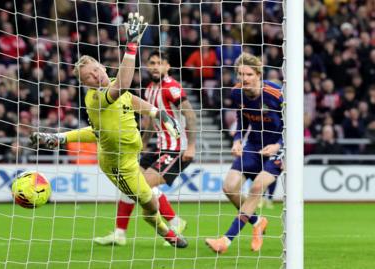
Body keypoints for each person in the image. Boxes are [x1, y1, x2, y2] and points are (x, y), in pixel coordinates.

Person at [31, 13, 187, 248]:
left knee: (149, 195)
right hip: (119, 166)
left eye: (95, 70)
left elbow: (130, 98)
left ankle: (152, 228)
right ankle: (165, 231)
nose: (95, 76)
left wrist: (158, 113)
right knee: (149, 205)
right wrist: (132, 45)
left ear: (102, 66)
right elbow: (123, 87)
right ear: (85, 84)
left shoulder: (112, 83)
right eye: (88, 77)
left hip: (131, 155)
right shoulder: (96, 97)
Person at [93, 50, 198, 246]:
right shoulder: (149, 88)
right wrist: (141, 144)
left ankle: (175, 222)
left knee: (140, 185)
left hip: (176, 149)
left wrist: (191, 146)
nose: (155, 66)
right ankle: (119, 234)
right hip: (159, 148)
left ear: (167, 67)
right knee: (128, 184)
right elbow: (151, 120)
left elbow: (190, 115)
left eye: (159, 63)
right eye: (152, 62)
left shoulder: (172, 88)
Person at [205, 53, 284, 254]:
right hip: (253, 145)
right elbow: (242, 120)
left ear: (258, 74)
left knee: (257, 186)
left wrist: (278, 145)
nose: (244, 78)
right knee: (229, 187)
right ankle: (257, 221)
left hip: (279, 148)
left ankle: (226, 240)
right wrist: (237, 139)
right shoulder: (236, 92)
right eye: (240, 74)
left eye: (248, 74)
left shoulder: (276, 94)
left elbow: (293, 124)